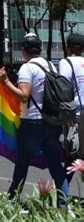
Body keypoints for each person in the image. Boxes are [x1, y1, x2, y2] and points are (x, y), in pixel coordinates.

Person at [0, 33, 69, 207]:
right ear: (41, 49)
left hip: (31, 122)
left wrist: (5, 81)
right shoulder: (51, 66)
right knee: (55, 167)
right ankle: (63, 206)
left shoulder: (27, 68)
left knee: (22, 163)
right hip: (51, 122)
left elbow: (24, 96)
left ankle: (12, 201)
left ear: (23, 50)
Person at [58, 32, 84, 181]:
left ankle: (62, 193)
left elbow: (63, 89)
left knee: (72, 153)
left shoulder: (66, 63)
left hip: (75, 115)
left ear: (67, 48)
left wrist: (66, 117)